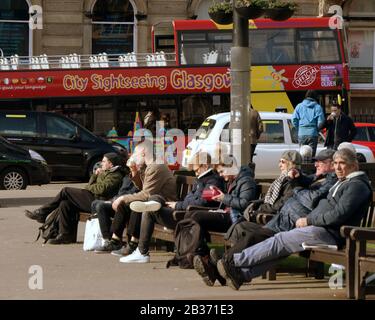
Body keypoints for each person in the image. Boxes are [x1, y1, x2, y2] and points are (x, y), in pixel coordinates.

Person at [216, 148, 372, 290]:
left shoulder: (356, 185)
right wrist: (299, 177)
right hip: (321, 229)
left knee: (280, 240)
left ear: (353, 165)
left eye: (342, 163)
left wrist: (308, 220)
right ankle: (242, 275)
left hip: (329, 233)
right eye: (336, 163)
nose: (337, 167)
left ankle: (234, 262)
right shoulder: (345, 181)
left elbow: (339, 214)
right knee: (283, 248)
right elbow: (313, 182)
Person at [119, 152, 225, 263]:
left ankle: (142, 252)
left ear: (205, 165)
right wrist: (178, 204)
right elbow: (190, 198)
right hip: (184, 211)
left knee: (150, 211)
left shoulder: (212, 181)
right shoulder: (200, 180)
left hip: (188, 216)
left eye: (197, 168)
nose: (195, 171)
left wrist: (178, 205)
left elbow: (203, 202)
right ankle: (154, 202)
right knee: (155, 199)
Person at [94, 141, 177, 253]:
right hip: (153, 201)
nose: (133, 156)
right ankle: (115, 240)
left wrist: (122, 198)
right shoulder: (149, 166)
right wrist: (134, 171)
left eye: (136, 153)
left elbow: (146, 194)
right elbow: (144, 188)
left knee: (134, 204)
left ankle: (133, 244)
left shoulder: (156, 167)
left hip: (164, 205)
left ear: (143, 153)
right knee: (125, 205)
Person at [25, 153, 125, 244]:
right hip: (93, 197)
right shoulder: (105, 172)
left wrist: (89, 187)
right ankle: (66, 235)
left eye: (104, 161)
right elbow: (92, 185)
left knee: (66, 191)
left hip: (100, 202)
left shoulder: (116, 175)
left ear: (111, 164)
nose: (101, 163)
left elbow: (101, 189)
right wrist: (95, 175)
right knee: (65, 203)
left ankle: (43, 212)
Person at [189, 155, 258, 286]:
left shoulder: (246, 181)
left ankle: (205, 260)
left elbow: (244, 203)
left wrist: (223, 198)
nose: (220, 175)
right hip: (228, 215)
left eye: (222, 171)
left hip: (236, 220)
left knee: (196, 217)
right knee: (194, 217)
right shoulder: (233, 180)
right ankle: (207, 261)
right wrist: (219, 196)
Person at [246, 150, 303, 219]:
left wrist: (260, 207)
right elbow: (270, 198)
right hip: (270, 212)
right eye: (279, 162)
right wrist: (254, 203)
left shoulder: (293, 181)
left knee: (240, 224)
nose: (279, 165)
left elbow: (280, 204)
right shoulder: (283, 178)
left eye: (283, 162)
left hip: (276, 217)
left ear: (291, 164)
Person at [292, 90, 325, 157]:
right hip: (313, 133)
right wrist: (316, 129)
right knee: (311, 155)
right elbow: (321, 121)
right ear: (315, 97)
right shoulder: (317, 107)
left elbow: (294, 119)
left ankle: (303, 166)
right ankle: (310, 166)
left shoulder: (299, 106)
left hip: (301, 133)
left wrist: (299, 128)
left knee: (302, 154)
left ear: (306, 96)